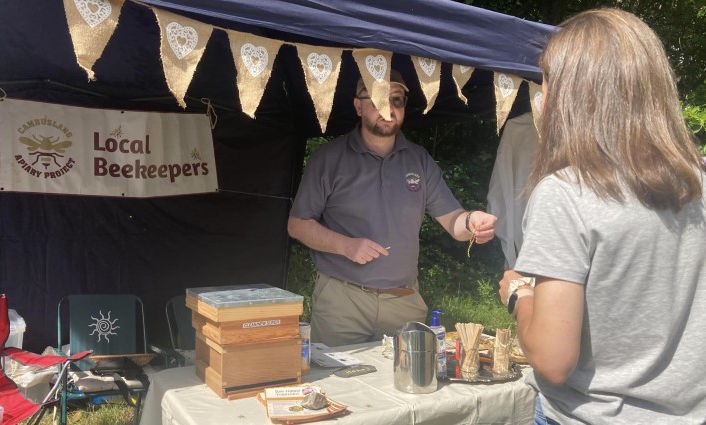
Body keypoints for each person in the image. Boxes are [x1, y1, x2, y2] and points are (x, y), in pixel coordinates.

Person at [498, 9, 706, 424]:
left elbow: (553, 360)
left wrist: (519, 296)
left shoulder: (567, 194)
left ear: (573, 92)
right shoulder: (697, 179)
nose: (544, 96)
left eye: (548, 82)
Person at [288, 69, 497, 347]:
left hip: (404, 302)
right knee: (338, 386)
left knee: (407, 386)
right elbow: (298, 224)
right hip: (343, 301)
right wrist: (346, 245)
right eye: (377, 100)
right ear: (358, 106)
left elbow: (453, 221)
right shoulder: (329, 158)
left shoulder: (419, 160)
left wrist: (473, 222)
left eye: (396, 100)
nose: (388, 109)